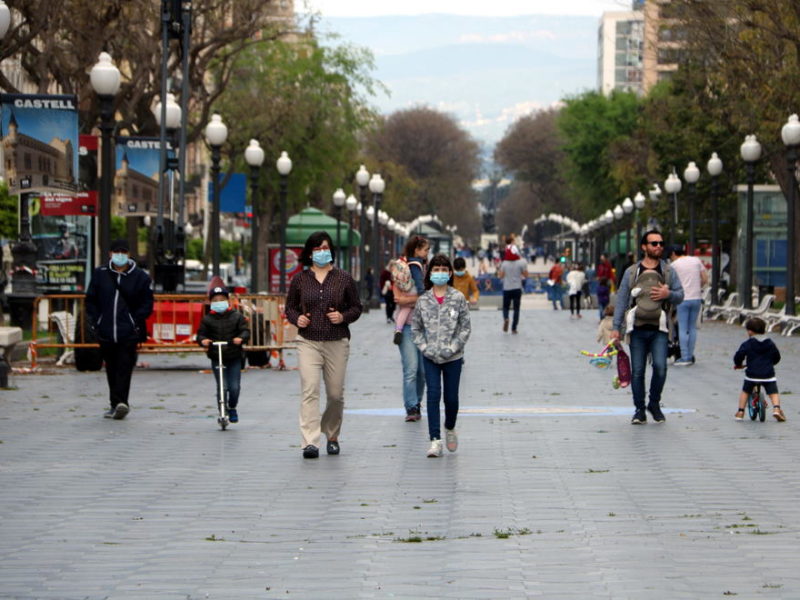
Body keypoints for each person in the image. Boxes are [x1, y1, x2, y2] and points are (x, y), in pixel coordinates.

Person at [285, 231, 362, 458]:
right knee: (309, 390)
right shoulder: (300, 280)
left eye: (325, 248)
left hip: (336, 341)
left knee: (335, 394)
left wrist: (343, 316)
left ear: (331, 251)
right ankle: (310, 441)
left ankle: (332, 434)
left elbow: (357, 307)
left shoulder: (343, 278)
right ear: (309, 253)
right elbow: (290, 307)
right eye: (317, 249)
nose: (321, 252)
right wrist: (296, 318)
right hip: (308, 341)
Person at [611, 230, 684, 425]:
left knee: (660, 367)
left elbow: (680, 295)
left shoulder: (668, 271)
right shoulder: (631, 271)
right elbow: (622, 300)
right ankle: (639, 410)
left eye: (661, 243)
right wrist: (615, 327)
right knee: (638, 371)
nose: (658, 246)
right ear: (644, 247)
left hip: (660, 328)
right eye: (654, 243)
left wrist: (667, 294)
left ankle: (654, 403)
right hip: (637, 328)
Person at [85, 239, 154, 420]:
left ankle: (122, 402)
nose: (120, 255)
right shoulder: (100, 274)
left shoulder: (140, 276)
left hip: (129, 331)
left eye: (123, 251)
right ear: (110, 254)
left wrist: (134, 319)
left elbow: (147, 303)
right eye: (117, 251)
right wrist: (97, 320)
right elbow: (91, 299)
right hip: (106, 329)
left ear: (129, 254)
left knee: (125, 366)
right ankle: (114, 403)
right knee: (111, 367)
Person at [411, 255, 471, 457]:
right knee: (433, 395)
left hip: (453, 357)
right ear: (430, 273)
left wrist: (454, 347)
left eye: (444, 269)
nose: (440, 273)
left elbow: (465, 327)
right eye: (436, 269)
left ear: (450, 273)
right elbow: (416, 329)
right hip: (431, 357)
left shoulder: (458, 298)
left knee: (451, 398)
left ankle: (450, 426)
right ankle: (435, 440)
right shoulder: (423, 301)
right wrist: (425, 347)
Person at [196, 286, 250, 423]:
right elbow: (201, 334)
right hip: (216, 355)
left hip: (234, 356)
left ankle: (232, 407)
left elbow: (245, 331)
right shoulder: (208, 319)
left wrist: (241, 338)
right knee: (222, 385)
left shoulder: (237, 316)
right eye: (216, 300)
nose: (219, 302)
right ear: (211, 302)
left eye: (222, 299)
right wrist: (204, 340)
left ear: (227, 300)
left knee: (234, 387)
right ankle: (222, 409)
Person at [394, 235, 429, 421]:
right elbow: (397, 298)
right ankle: (412, 407)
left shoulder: (426, 268)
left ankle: (417, 401)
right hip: (408, 328)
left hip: (423, 327)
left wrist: (411, 300)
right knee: (411, 369)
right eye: (425, 249)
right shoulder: (410, 268)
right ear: (416, 250)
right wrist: (419, 298)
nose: (427, 253)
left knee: (423, 372)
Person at [734, 317, 785, 421]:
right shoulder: (770, 343)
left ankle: (740, 412)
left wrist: (738, 364)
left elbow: (739, 355)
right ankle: (776, 409)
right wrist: (771, 363)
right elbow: (777, 356)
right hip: (768, 374)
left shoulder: (747, 344)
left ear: (750, 331)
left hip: (752, 375)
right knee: (773, 392)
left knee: (745, 391)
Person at [669, 245, 708, 366]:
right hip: (696, 298)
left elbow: (669, 282)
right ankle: (690, 355)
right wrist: (697, 287)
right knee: (692, 328)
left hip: (682, 299)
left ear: (674, 254)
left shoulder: (674, 265)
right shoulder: (696, 260)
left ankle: (684, 356)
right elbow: (705, 278)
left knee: (682, 328)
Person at [497, 239, 528, 333]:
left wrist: (502, 273)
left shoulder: (504, 263)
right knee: (516, 309)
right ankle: (514, 328)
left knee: (505, 307)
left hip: (507, 288)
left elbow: (501, 276)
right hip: (517, 288)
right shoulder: (521, 262)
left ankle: (506, 318)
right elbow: (526, 275)